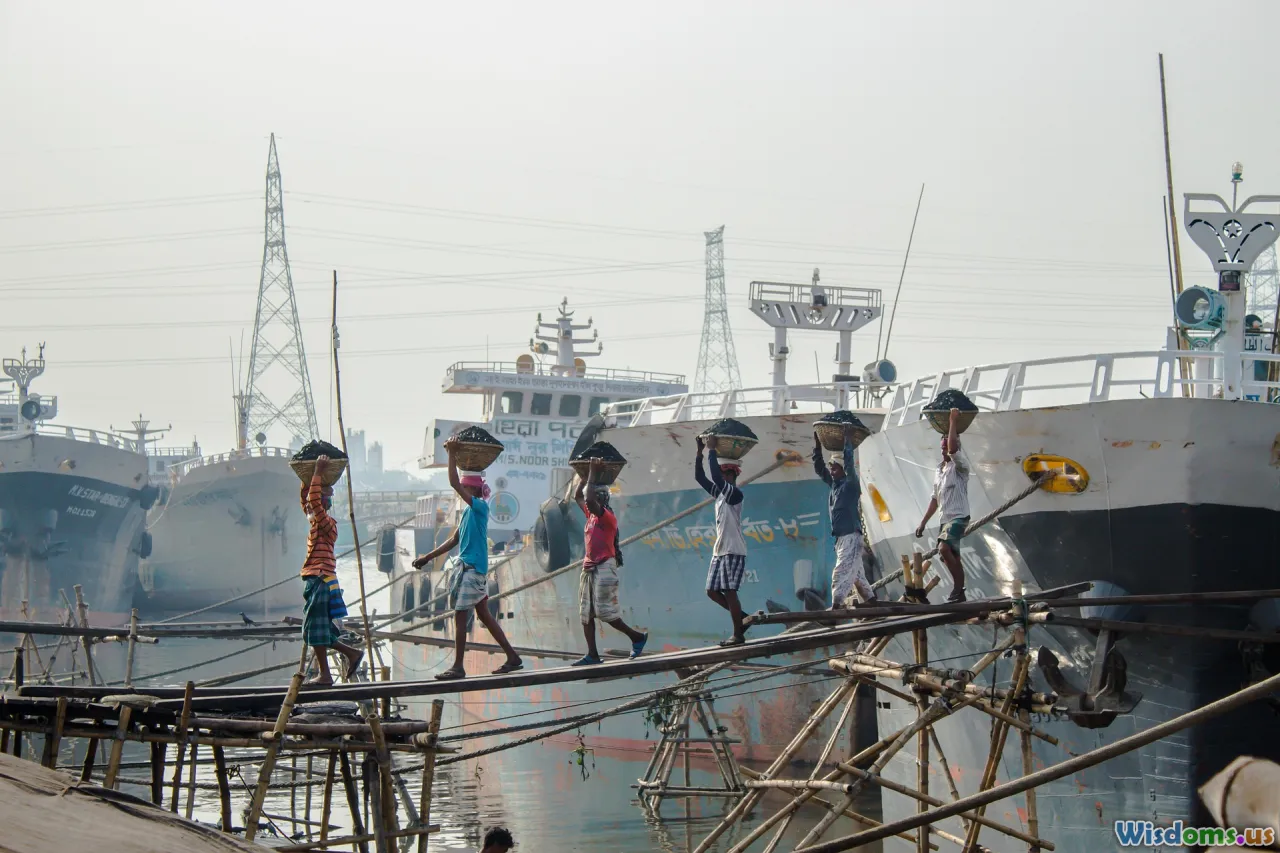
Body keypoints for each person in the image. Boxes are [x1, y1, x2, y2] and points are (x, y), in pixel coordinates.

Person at [410, 439, 523, 680]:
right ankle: (513, 657)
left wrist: (451, 453)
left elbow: (452, 482)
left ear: (470, 490)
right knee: (483, 614)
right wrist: (426, 558)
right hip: (470, 569)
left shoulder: (480, 506)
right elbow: (453, 541)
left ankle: (458, 667)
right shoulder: (468, 514)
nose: (461, 491)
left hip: (472, 571)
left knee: (460, 615)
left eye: (464, 489)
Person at [571, 459, 648, 665]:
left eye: (594, 496)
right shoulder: (592, 516)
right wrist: (584, 478)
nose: (589, 501)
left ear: (601, 499)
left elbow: (587, 500)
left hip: (605, 566)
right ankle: (592, 655)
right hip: (589, 568)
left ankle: (637, 638)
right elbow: (579, 496)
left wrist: (593, 474)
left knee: (605, 613)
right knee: (585, 614)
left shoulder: (606, 517)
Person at [299, 455, 363, 686]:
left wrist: (317, 471)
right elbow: (308, 501)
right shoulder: (316, 521)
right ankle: (351, 653)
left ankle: (325, 675)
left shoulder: (328, 524)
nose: (310, 504)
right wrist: (306, 479)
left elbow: (313, 502)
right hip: (317, 578)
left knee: (315, 627)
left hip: (321, 578)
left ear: (324, 504)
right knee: (317, 628)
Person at [693, 436, 750, 646]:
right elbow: (700, 478)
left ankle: (738, 634)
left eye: (725, 473)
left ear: (732, 475)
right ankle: (742, 618)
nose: (722, 477)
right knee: (711, 591)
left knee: (730, 590)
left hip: (733, 549)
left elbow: (715, 478)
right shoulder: (720, 495)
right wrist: (700, 453)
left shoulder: (735, 494)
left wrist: (712, 450)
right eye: (722, 473)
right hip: (720, 550)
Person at [813, 424, 877, 608]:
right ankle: (873, 603)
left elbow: (849, 465)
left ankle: (836, 607)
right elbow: (819, 469)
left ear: (842, 470)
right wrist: (817, 446)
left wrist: (847, 441)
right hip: (841, 539)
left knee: (840, 573)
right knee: (857, 577)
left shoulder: (850, 486)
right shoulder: (834, 486)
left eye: (835, 468)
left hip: (851, 536)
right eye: (831, 468)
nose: (832, 472)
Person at [915, 408, 970, 603]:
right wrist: (923, 523)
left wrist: (953, 421)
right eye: (942, 447)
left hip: (959, 516)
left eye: (945, 447)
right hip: (944, 519)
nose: (944, 451)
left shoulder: (960, 466)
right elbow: (934, 499)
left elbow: (953, 449)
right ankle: (960, 592)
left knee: (944, 548)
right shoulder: (939, 470)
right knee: (952, 553)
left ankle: (957, 587)